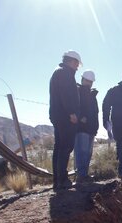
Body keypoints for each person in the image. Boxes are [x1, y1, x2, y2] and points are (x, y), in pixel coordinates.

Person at [49, 50, 81, 190]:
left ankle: (58, 180)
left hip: (59, 115)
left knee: (59, 147)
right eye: (77, 64)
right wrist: (72, 112)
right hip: (65, 117)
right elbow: (66, 95)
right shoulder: (64, 73)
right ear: (72, 61)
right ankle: (62, 180)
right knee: (65, 147)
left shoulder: (59, 72)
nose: (77, 67)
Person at [74, 70, 99, 183]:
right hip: (82, 128)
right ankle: (81, 176)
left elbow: (95, 112)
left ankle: (84, 175)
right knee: (82, 151)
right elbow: (73, 107)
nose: (89, 83)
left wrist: (96, 126)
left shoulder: (92, 95)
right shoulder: (76, 91)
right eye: (87, 80)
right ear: (82, 79)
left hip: (91, 128)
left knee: (88, 153)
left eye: (91, 81)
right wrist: (80, 118)